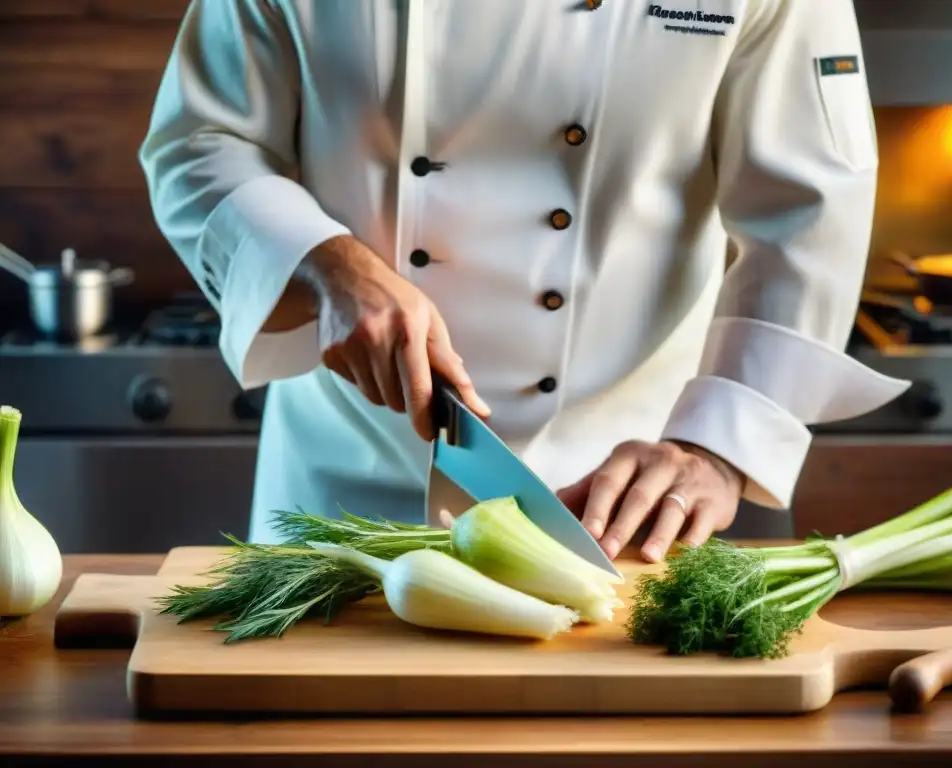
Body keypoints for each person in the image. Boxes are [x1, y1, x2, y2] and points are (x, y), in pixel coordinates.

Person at [140, 0, 907, 562]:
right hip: (341, 493)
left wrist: (716, 447)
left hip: (618, 506)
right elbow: (200, 140)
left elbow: (811, 207)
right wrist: (323, 261)